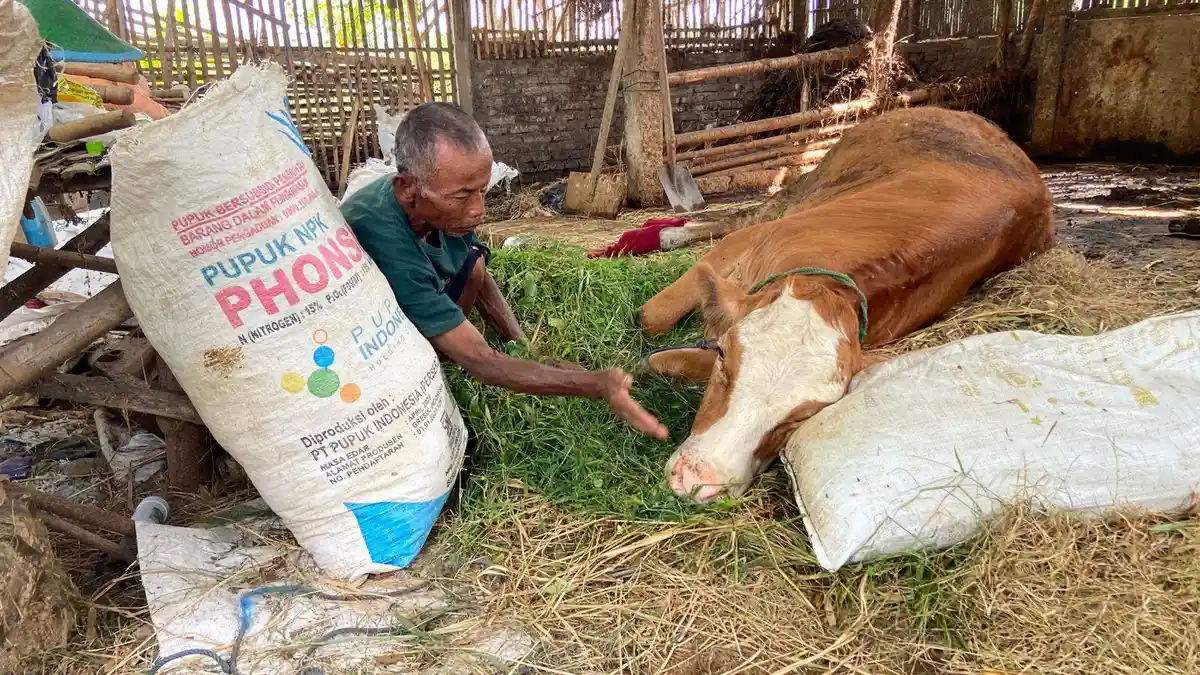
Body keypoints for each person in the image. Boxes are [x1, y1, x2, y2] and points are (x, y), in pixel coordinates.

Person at [339, 102, 667, 440]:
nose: (479, 209)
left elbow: (476, 270)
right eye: (464, 195)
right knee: (447, 352)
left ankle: (454, 340)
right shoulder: (387, 243)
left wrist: (526, 350)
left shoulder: (439, 206)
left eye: (482, 189)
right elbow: (483, 362)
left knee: (476, 264)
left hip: (421, 281)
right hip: (372, 339)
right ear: (406, 188)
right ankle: (443, 357)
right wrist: (594, 383)